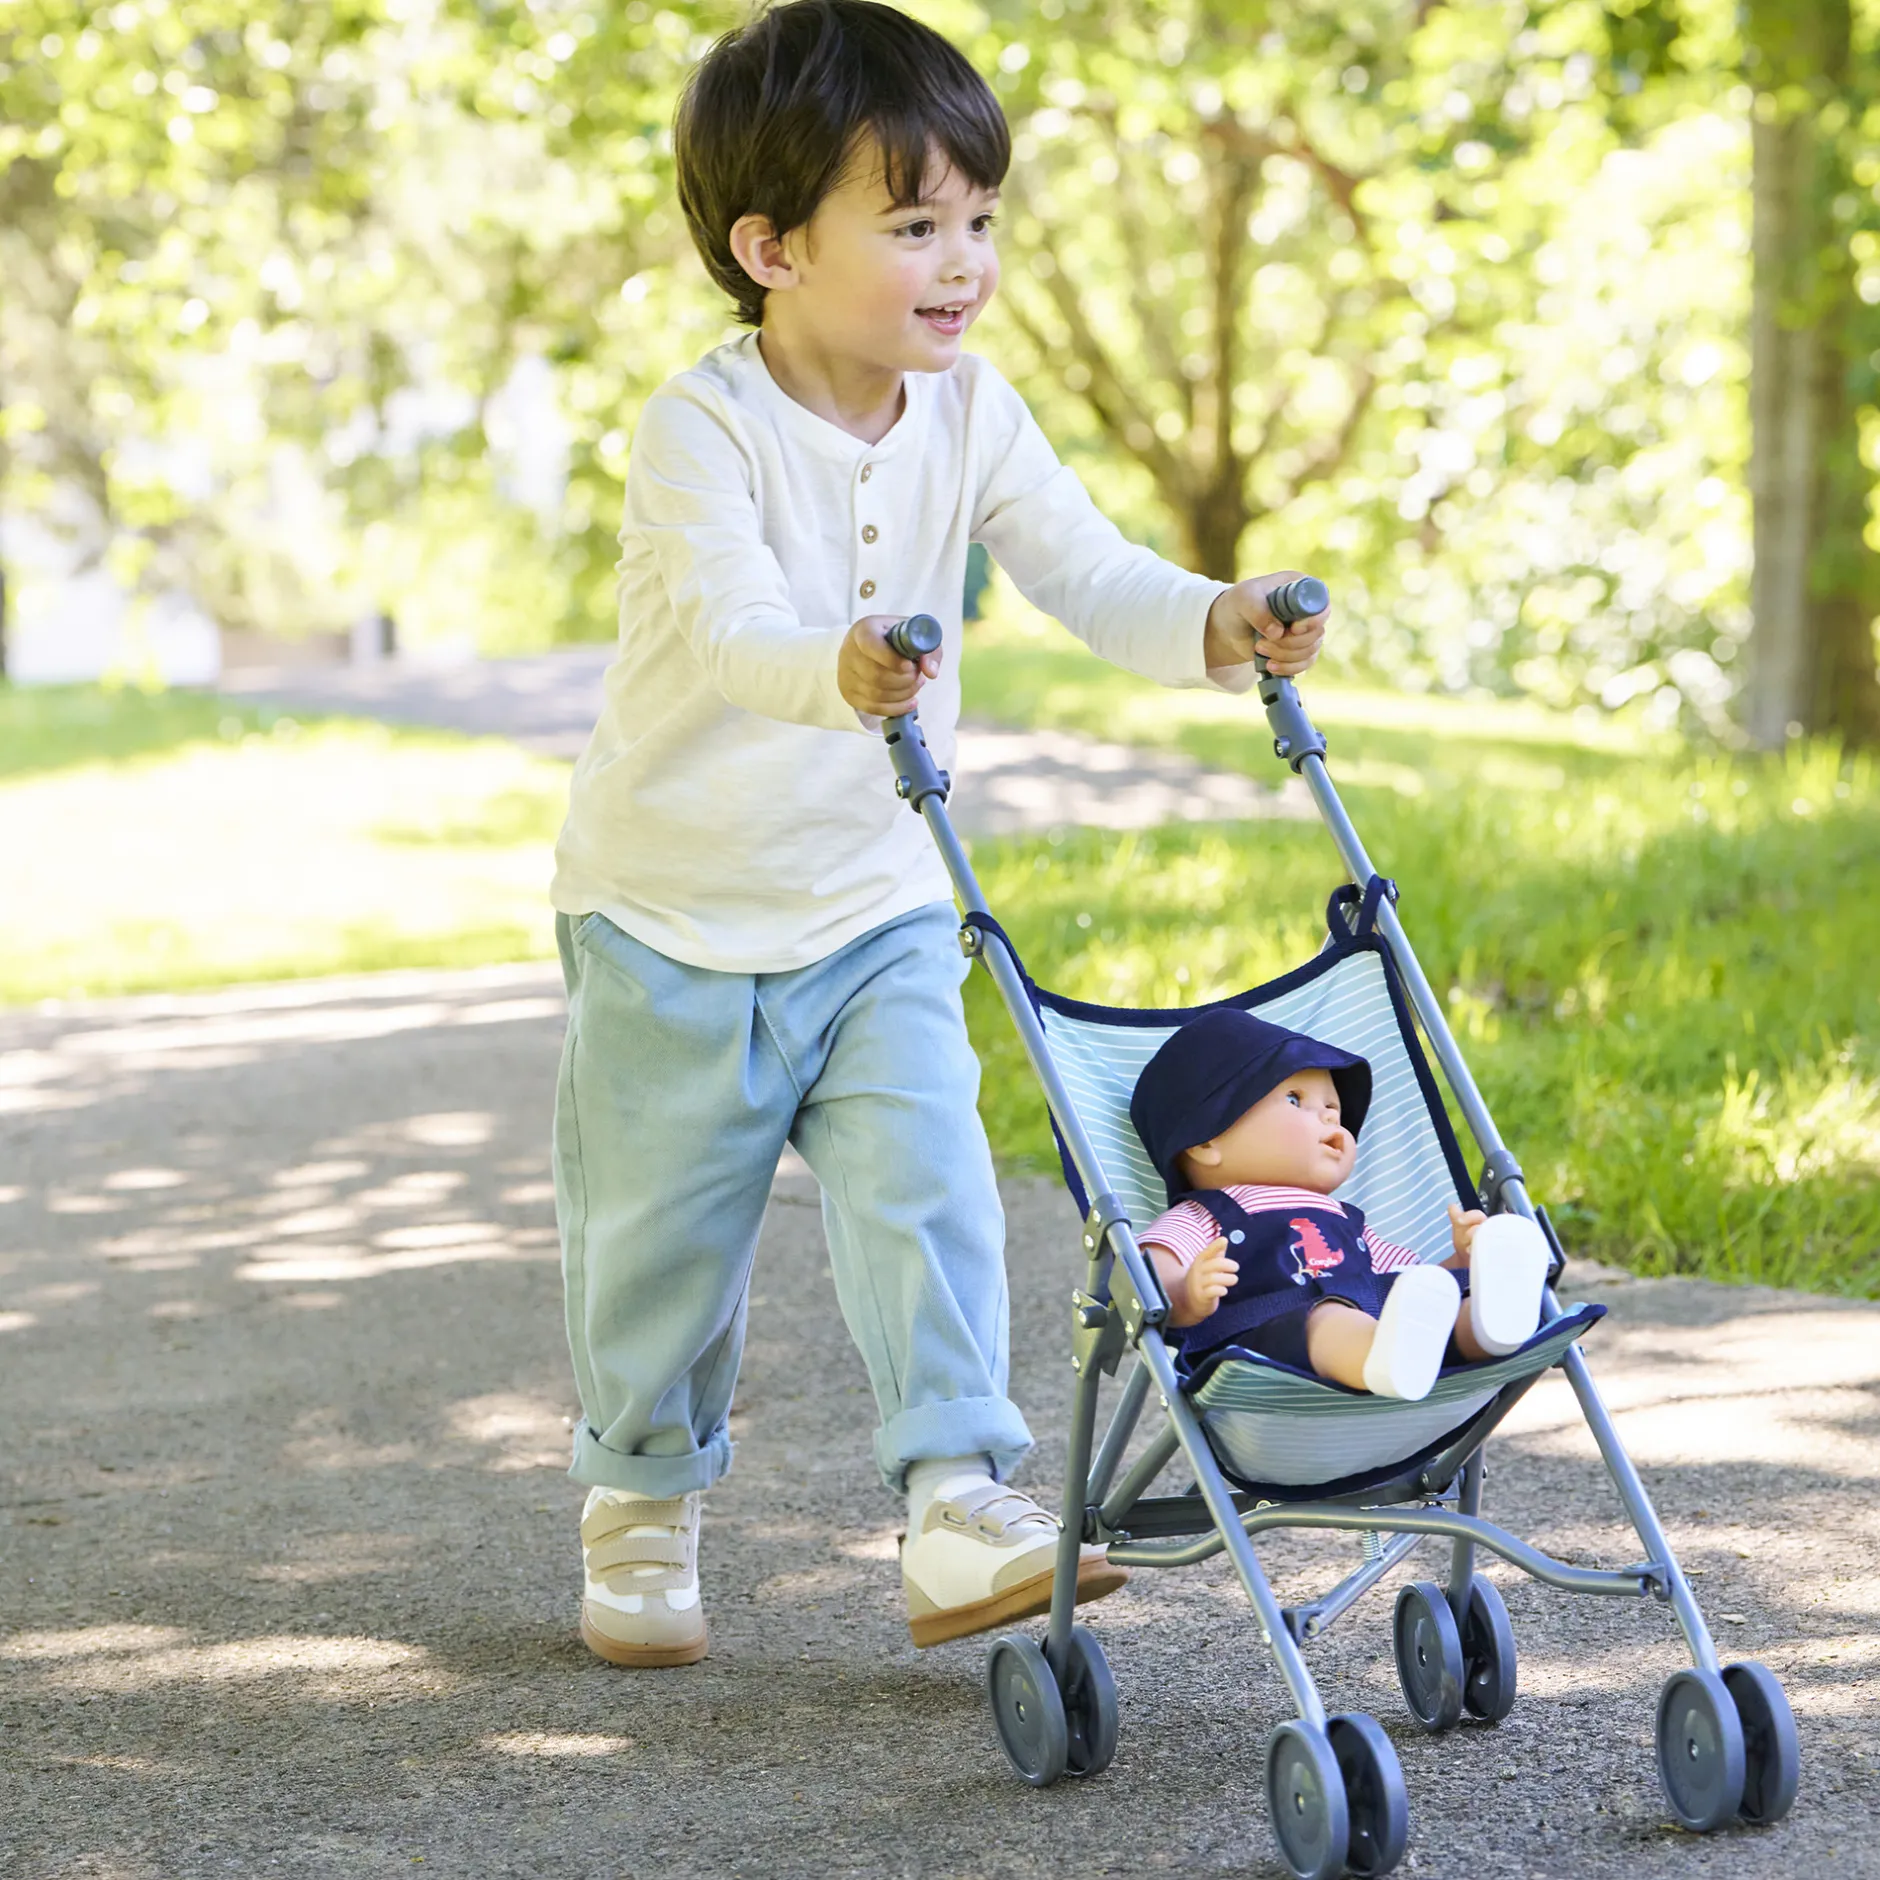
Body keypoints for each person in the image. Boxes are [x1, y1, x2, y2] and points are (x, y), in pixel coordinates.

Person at [549, 0, 1331, 1668]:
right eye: (913, 225)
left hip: (880, 907)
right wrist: (836, 668)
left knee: (930, 1194)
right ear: (771, 247)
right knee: (661, 1256)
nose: (962, 260)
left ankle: (956, 1495)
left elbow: (1089, 568)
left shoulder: (971, 409)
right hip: (670, 915)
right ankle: (640, 1497)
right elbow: (741, 623)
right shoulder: (703, 430)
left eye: (977, 219)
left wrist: (1218, 617)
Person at [1130, 1008, 1553, 1400]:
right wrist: (1187, 1295)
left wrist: (1461, 1265)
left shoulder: (1345, 1220)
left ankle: (1488, 1325)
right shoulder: (1202, 1215)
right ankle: (1387, 1354)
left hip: (1381, 1329)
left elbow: (1411, 1284)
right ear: (1206, 1142)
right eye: (1296, 1100)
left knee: (1436, 1302)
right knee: (1327, 1317)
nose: (1332, 1117)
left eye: (1332, 1107)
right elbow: (1143, 1280)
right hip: (1267, 1353)